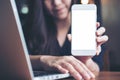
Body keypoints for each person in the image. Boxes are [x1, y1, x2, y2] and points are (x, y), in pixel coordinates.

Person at [16, 0, 108, 80]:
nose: (56, 2)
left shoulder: (88, 24)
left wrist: (85, 61)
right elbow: (18, 60)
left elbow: (96, 69)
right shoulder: (31, 27)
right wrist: (44, 60)